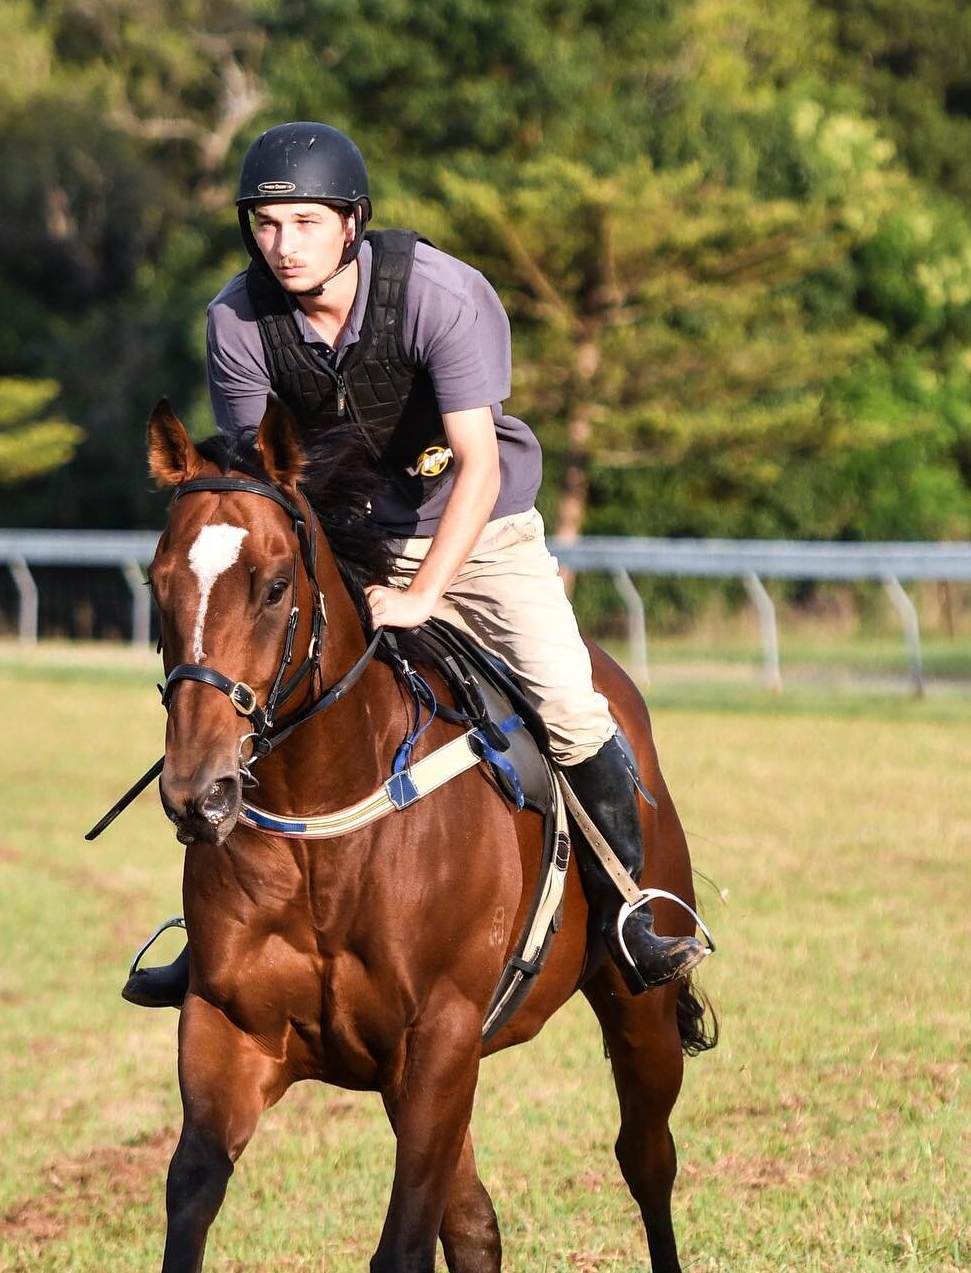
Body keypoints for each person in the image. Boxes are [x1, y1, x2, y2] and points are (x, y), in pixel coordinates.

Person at [123, 122, 708, 1009]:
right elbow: (261, 483)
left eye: (307, 223)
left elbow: (478, 463)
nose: (285, 246)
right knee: (235, 700)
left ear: (352, 223)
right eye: (268, 226)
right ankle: (218, 939)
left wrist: (425, 592)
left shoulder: (442, 294)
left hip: (477, 533)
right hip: (339, 540)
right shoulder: (235, 320)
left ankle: (635, 907)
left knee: (569, 702)